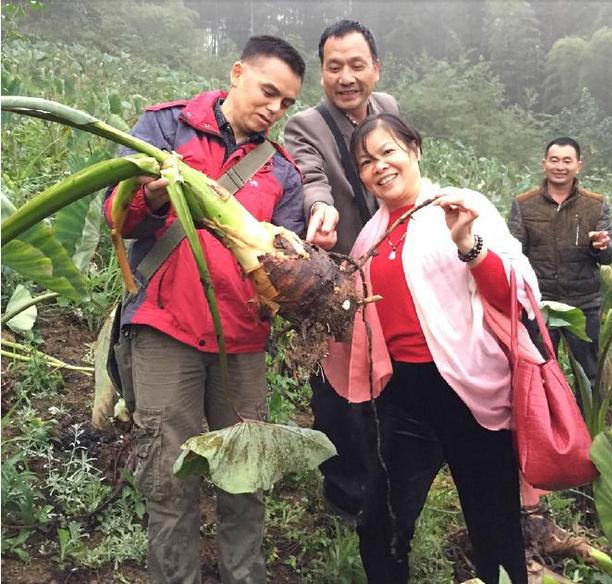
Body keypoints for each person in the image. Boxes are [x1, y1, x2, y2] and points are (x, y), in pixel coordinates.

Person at [104, 36, 306, 584]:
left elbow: (280, 264)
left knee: (246, 475)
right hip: (166, 329)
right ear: (238, 73)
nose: (275, 109)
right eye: (269, 92)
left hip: (240, 340)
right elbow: (117, 219)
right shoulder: (165, 129)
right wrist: (156, 195)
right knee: (170, 477)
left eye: (287, 103)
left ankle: (246, 576)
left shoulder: (282, 171)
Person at [322, 113, 539, 584]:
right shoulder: (369, 238)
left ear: (414, 149)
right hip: (402, 398)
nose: (379, 166)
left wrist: (468, 243)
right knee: (381, 524)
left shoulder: (460, 208)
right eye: (365, 161)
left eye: (388, 152)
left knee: (494, 526)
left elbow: (511, 297)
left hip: (471, 394)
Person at [283, 19, 399, 519]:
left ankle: (390, 473)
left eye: (357, 65)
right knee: (335, 388)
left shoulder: (389, 110)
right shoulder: (305, 125)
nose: (346, 77)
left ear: (376, 67)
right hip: (336, 276)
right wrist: (319, 212)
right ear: (322, 74)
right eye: (334, 67)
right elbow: (312, 179)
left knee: (388, 377)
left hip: (390, 272)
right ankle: (345, 490)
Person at [508, 137, 612, 393]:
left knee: (589, 374)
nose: (560, 166)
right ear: (544, 163)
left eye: (567, 161)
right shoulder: (524, 204)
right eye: (554, 160)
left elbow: (610, 251)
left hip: (584, 302)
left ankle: (589, 429)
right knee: (541, 372)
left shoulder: (595, 204)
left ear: (578, 166)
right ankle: (546, 431)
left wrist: (602, 245)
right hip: (540, 303)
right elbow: (512, 251)